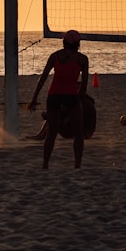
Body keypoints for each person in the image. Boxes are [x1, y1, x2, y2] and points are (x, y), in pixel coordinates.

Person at [26, 29, 89, 169]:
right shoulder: (82, 59)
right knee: (78, 132)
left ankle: (45, 165)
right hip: (71, 96)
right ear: (78, 44)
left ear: (64, 42)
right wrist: (82, 100)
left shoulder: (54, 56)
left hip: (54, 95)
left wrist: (34, 98)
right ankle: (77, 166)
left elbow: (42, 79)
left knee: (52, 132)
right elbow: (84, 85)